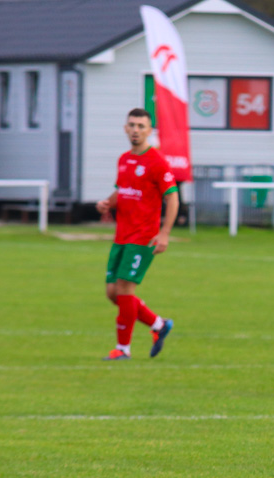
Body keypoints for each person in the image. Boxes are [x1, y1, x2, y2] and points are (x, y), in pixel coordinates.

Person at [96, 108, 178, 361]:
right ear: (125, 128)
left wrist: (164, 233)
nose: (136, 130)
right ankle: (158, 324)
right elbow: (122, 190)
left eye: (141, 126)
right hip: (122, 234)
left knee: (124, 288)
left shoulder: (157, 162)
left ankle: (123, 349)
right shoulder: (124, 159)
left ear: (149, 131)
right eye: (132, 125)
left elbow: (173, 198)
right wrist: (107, 203)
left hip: (143, 236)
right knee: (113, 293)